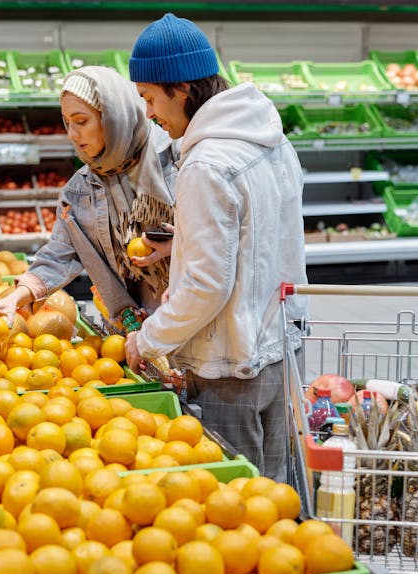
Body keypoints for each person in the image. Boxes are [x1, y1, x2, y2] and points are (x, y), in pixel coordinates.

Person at [125, 13, 309, 482]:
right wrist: (180, 248)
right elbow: (261, 236)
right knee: (277, 498)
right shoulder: (270, 139)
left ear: (181, 88)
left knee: (240, 508)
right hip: (279, 350)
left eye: (149, 97)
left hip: (229, 368)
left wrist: (148, 339)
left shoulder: (205, 163)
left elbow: (208, 285)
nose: (147, 112)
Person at [0, 65, 177, 334]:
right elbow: (60, 254)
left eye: (81, 121)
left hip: (190, 321)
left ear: (114, 118)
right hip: (134, 333)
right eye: (67, 122)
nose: (72, 134)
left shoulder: (178, 162)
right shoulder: (80, 191)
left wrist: (181, 244)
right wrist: (16, 297)